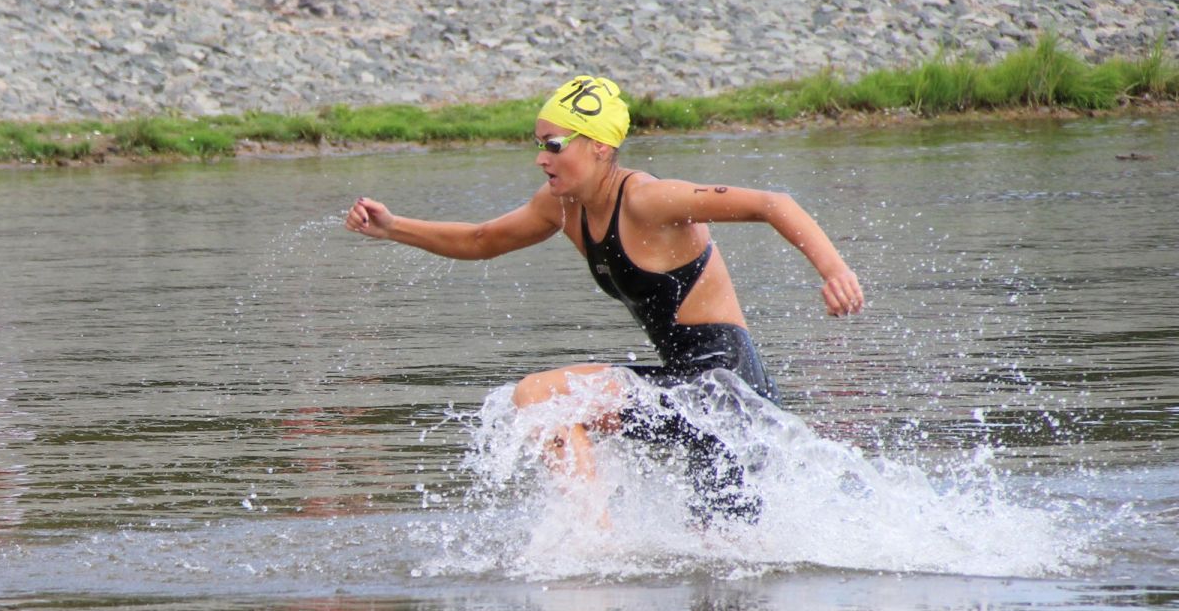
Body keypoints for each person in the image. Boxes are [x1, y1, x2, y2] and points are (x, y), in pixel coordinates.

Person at [343, 74, 864, 518]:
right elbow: (482, 240)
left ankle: (590, 539)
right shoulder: (562, 208)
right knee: (721, 567)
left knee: (541, 397)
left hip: (725, 391)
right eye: (538, 143)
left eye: (553, 144)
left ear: (598, 147)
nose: (540, 158)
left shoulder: (647, 199)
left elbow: (773, 203)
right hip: (685, 392)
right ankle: (591, 539)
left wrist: (834, 270)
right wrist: (393, 228)